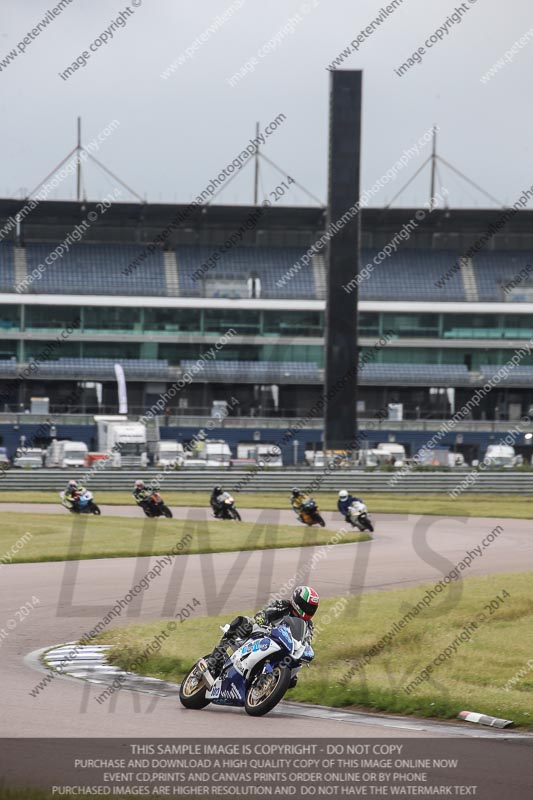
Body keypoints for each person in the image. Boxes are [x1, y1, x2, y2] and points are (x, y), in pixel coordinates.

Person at [206, 586, 319, 682]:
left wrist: (305, 652)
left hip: (284, 648)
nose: (309, 610)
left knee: (293, 680)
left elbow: (306, 642)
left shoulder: (308, 625)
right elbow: (266, 611)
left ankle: (264, 686)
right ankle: (215, 657)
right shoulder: (283, 605)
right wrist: (262, 617)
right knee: (243, 622)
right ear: (298, 602)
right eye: (307, 607)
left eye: (312, 608)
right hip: (264, 634)